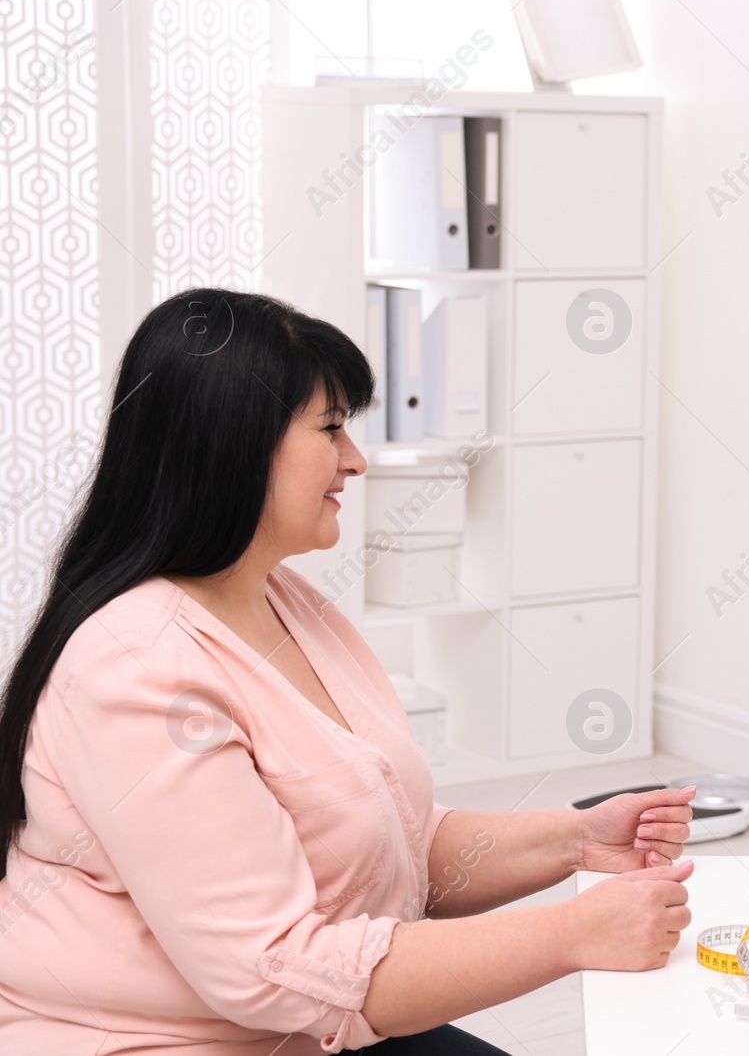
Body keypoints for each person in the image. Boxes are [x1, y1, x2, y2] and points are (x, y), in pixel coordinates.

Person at [0, 289, 696, 1054]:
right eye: (331, 429)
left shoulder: (286, 601)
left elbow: (388, 842)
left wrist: (574, 840)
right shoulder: (136, 670)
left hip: (315, 1022)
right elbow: (277, 968)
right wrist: (572, 934)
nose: (355, 460)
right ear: (233, 442)